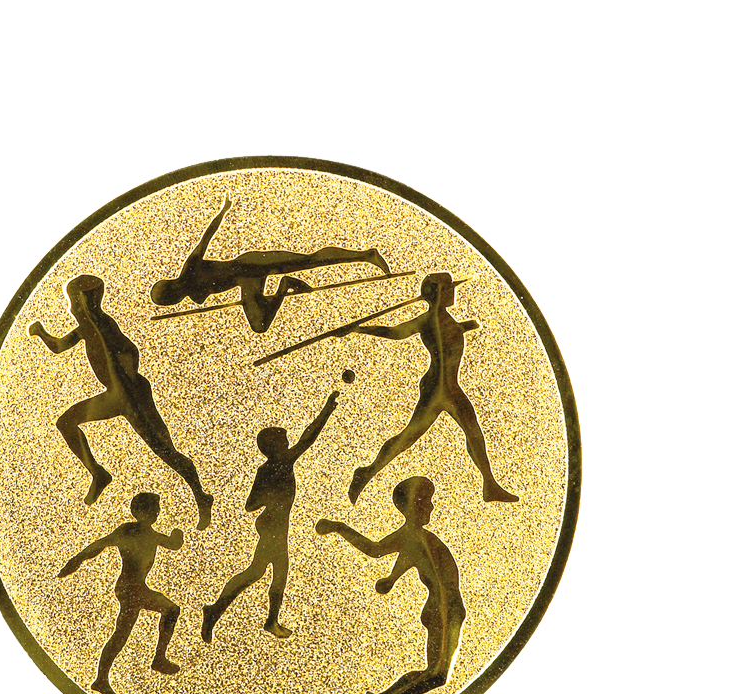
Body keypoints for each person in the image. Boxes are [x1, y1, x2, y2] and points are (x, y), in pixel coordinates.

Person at [29, 275, 213, 529]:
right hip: (114, 396)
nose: (71, 309)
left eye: (74, 303)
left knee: (165, 450)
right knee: (66, 422)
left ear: (86, 304)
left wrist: (125, 377)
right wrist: (41, 333)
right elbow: (59, 346)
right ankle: (98, 473)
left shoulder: (103, 325)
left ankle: (201, 495)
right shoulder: (86, 329)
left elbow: (130, 351)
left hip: (130, 394)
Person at [347, 272, 518, 505]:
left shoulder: (444, 320)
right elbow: (396, 333)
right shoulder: (430, 320)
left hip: (450, 386)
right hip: (437, 387)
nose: (453, 292)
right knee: (408, 437)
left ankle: (490, 485)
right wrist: (360, 329)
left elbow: (447, 340)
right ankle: (366, 472)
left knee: (473, 432)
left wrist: (464, 327)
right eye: (448, 288)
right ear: (437, 293)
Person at [316, 477, 466, 694]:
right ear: (412, 507)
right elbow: (374, 549)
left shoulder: (417, 537)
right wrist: (340, 528)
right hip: (441, 609)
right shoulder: (412, 535)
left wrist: (391, 578)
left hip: (449, 610)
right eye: (426, 502)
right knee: (436, 674)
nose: (431, 507)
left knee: (436, 675)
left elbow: (412, 557)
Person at [202, 390, 339, 642]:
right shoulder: (275, 465)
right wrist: (327, 410)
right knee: (270, 572)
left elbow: (308, 438)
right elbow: (250, 504)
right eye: (284, 440)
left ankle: (222, 611)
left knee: (259, 572)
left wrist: (327, 411)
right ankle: (262, 618)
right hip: (272, 525)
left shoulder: (277, 465)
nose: (288, 443)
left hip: (276, 525)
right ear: (274, 446)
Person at [150, 195, 391, 334]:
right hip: (247, 282)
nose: (178, 297)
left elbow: (206, 238)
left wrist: (223, 211)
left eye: (173, 295)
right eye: (174, 300)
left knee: (309, 261)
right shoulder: (193, 295)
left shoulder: (190, 269)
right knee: (260, 325)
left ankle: (366, 255)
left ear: (173, 286)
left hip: (249, 264)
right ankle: (284, 285)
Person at [59, 492, 184, 694]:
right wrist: (77, 560)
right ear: (137, 511)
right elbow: (101, 544)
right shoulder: (128, 530)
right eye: (151, 509)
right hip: (129, 588)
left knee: (124, 632)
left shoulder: (152, 535)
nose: (156, 513)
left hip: (137, 588)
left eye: (157, 510)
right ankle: (156, 659)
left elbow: (173, 544)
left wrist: (177, 535)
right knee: (164, 612)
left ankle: (105, 678)